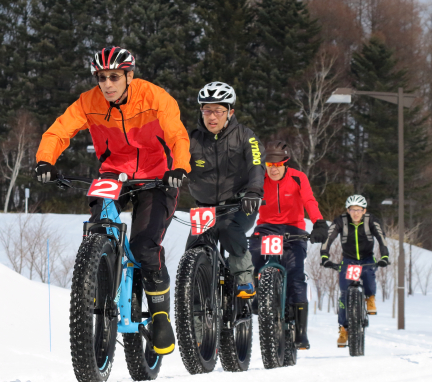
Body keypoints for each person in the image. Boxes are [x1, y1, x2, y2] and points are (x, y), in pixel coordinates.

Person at [34, 47, 191, 355]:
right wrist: (44, 160)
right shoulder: (88, 102)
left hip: (157, 177)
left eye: (114, 77)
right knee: (98, 228)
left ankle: (159, 314)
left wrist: (180, 166)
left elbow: (177, 135)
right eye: (101, 77)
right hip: (113, 174)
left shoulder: (155, 97)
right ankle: (99, 275)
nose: (107, 84)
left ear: (129, 76)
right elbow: (59, 132)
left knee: (146, 244)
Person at [185, 82, 265, 298]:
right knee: (192, 251)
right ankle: (195, 303)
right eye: (207, 110)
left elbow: (256, 164)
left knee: (229, 230)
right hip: (204, 208)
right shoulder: (191, 139)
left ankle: (244, 277)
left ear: (230, 112)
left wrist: (254, 192)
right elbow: (175, 163)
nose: (212, 117)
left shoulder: (246, 136)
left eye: (218, 111)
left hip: (239, 204)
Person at [248, 140, 328, 350]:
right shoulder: (259, 179)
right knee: (253, 254)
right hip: (266, 227)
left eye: (277, 165)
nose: (273, 169)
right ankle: (258, 292)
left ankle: (301, 332)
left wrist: (319, 222)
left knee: (295, 275)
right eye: (269, 165)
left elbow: (310, 201)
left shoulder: (298, 178)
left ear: (285, 163)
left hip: (294, 229)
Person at [320, 194, 390, 347]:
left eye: (359, 210)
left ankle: (370, 297)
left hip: (367, 258)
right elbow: (328, 238)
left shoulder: (372, 221)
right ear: (348, 210)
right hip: (349, 260)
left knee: (369, 272)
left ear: (364, 210)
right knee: (344, 295)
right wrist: (324, 256)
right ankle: (344, 329)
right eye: (352, 210)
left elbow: (381, 238)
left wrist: (384, 256)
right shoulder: (340, 221)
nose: (356, 213)